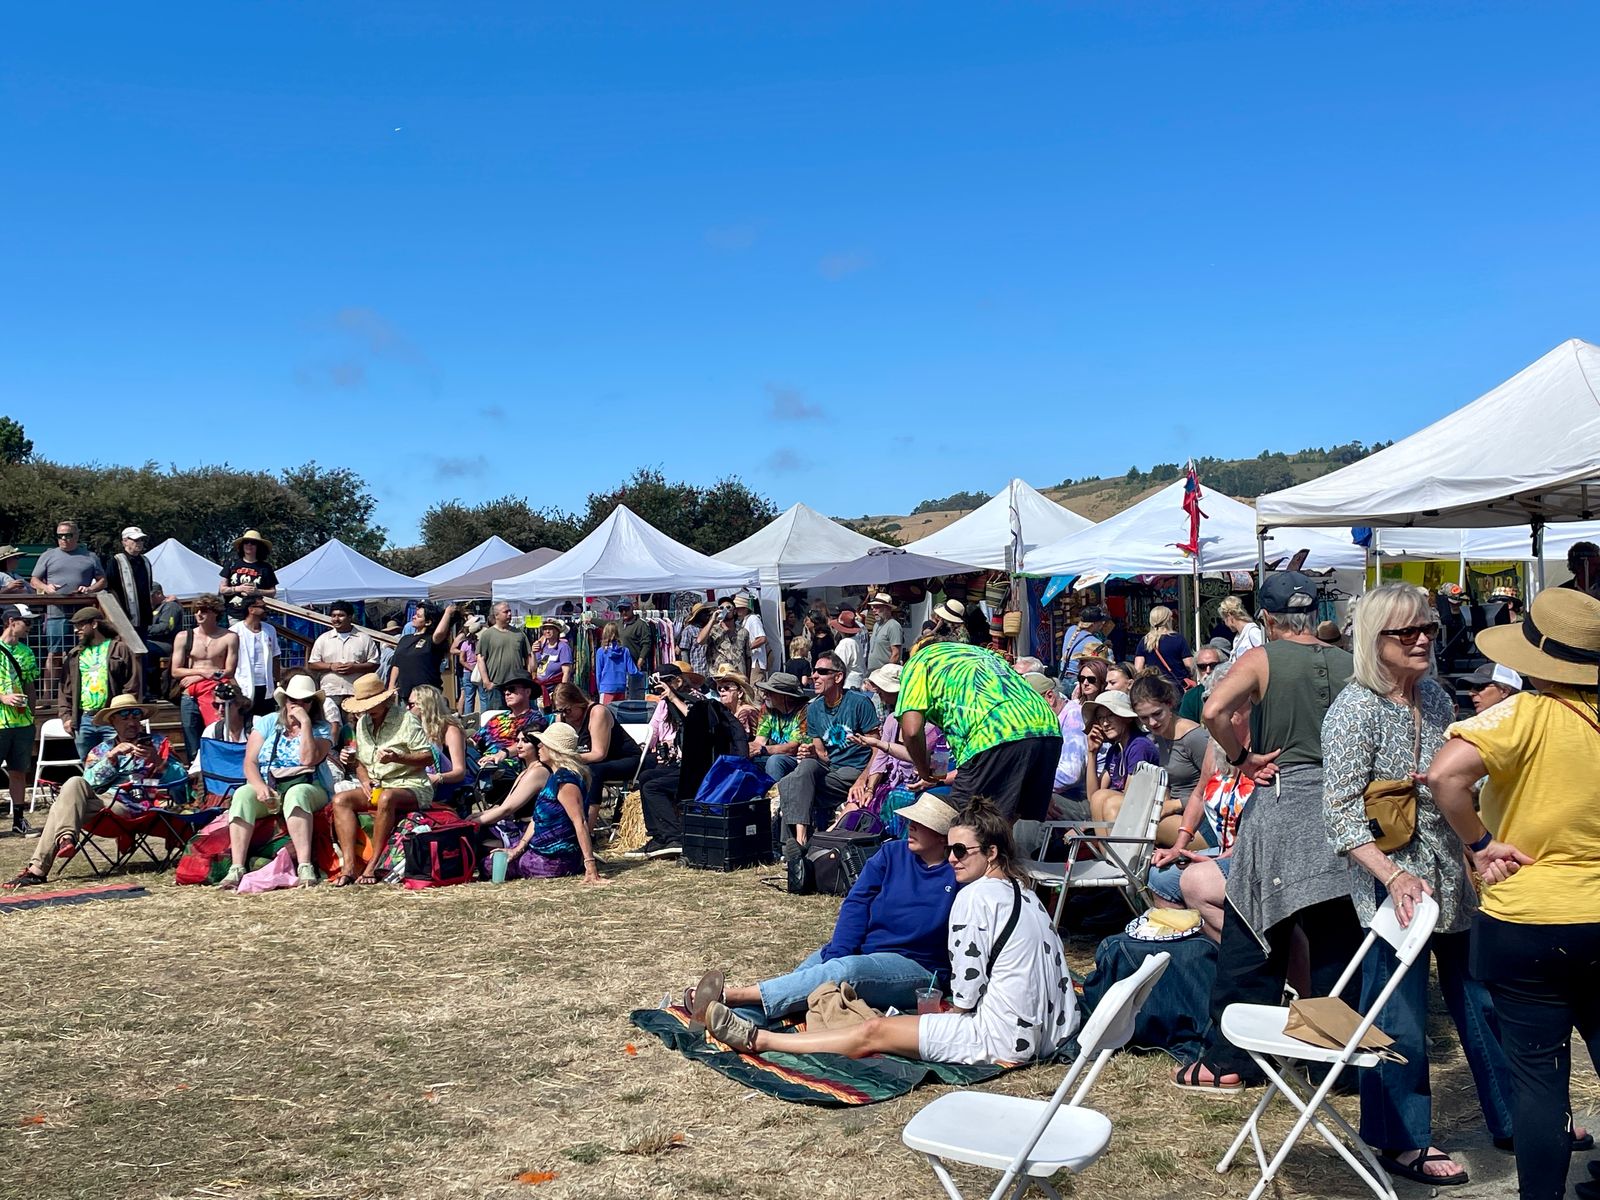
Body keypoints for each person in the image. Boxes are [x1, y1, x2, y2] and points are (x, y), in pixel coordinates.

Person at [1318, 582, 1510, 1185]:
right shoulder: (1353, 710)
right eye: (1408, 631)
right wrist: (1393, 875)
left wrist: (1476, 846)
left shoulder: (1434, 695)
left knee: (1480, 998)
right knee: (1396, 1014)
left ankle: (1516, 1116)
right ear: (1374, 640)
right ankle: (1399, 1139)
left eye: (1428, 627)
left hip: (1449, 872)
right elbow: (1339, 815)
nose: (1424, 639)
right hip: (1393, 882)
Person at [1428, 587, 1600, 1200]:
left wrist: (1479, 844)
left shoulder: (1522, 714)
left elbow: (1444, 775)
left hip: (1527, 917)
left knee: (1538, 1081)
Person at [702, 797, 1076, 1065]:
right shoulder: (1025, 893)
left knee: (873, 1025)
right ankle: (742, 1016)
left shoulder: (972, 895)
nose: (953, 858)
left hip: (999, 1033)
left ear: (990, 853)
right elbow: (857, 903)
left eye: (960, 851)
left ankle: (757, 1035)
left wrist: (950, 1010)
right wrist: (839, 954)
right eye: (952, 850)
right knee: (821, 970)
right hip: (1047, 1029)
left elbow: (967, 986)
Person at [1172, 570, 1362, 1094]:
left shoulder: (1261, 658)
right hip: (1342, 804)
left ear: (1267, 620)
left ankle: (1230, 1060)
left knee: (1252, 930)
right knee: (1337, 939)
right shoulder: (1349, 661)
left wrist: (1240, 758)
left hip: (1283, 802)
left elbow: (1213, 709)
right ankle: (1337, 1064)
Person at [685, 794, 959, 1024]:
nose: (911, 826)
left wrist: (839, 963)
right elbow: (857, 903)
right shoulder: (892, 854)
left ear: (942, 837)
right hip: (865, 950)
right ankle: (735, 1020)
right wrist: (838, 952)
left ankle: (731, 996)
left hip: (916, 967)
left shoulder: (959, 875)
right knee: (806, 977)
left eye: (921, 823)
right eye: (911, 820)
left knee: (845, 972)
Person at [4, 694, 190, 888]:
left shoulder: (158, 744)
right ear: (112, 721)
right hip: (105, 804)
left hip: (137, 806)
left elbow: (182, 783)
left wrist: (159, 762)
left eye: (136, 716)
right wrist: (111, 759)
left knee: (60, 807)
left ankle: (39, 868)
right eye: (124, 717)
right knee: (74, 782)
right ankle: (64, 839)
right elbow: (88, 784)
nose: (132, 722)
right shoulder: (101, 750)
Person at [895, 635, 1062, 823]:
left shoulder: (920, 661)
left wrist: (923, 769)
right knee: (1004, 824)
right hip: (1047, 727)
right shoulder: (985, 654)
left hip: (994, 731)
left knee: (964, 824)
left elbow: (911, 731)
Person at [217, 673, 335, 889]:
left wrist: (305, 724)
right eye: (293, 700)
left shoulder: (321, 728)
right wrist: (259, 786)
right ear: (285, 700)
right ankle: (236, 867)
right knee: (242, 794)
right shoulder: (268, 722)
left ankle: (305, 866)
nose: (298, 705)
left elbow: (308, 759)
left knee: (297, 794)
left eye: (305, 700)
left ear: (312, 704)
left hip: (310, 785)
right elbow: (250, 762)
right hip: (270, 785)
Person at [329, 673, 436, 885]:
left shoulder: (407, 720)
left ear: (385, 700)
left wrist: (398, 757)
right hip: (379, 785)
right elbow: (360, 763)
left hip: (412, 786)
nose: (368, 710)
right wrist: (362, 778)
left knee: (387, 798)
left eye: (372, 704)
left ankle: (373, 864)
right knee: (340, 800)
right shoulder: (362, 723)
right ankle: (349, 866)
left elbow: (428, 757)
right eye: (364, 706)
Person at [629, 662, 743, 858]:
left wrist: (674, 697)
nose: (662, 688)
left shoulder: (698, 700)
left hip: (705, 768)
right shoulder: (666, 703)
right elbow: (655, 730)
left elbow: (698, 722)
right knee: (646, 777)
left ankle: (674, 837)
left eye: (666, 682)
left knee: (653, 787)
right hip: (684, 763)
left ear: (678, 681)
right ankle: (658, 836)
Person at [776, 650, 879, 856]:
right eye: (814, 671)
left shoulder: (859, 703)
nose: (814, 676)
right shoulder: (814, 708)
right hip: (831, 769)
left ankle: (793, 848)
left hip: (854, 769)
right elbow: (822, 754)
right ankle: (800, 841)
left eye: (822, 672)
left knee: (791, 784)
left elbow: (877, 749)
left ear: (838, 677)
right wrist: (810, 752)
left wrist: (863, 780)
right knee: (795, 776)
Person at [488, 722, 604, 884]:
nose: (539, 746)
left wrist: (590, 866)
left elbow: (580, 822)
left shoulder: (565, 780)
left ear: (554, 750)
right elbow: (537, 818)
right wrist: (517, 849)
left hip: (554, 860)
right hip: (540, 851)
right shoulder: (554, 776)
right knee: (491, 859)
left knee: (489, 864)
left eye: (544, 743)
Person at [843, 665, 950, 822]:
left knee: (895, 799)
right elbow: (880, 758)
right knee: (855, 804)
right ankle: (825, 837)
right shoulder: (892, 720)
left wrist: (879, 744)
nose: (878, 693)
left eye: (882, 689)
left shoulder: (931, 726)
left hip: (917, 784)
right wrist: (870, 789)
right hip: (892, 780)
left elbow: (934, 763)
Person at [1128, 675, 1209, 846]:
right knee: (1103, 798)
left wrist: (1175, 804)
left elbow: (1220, 787)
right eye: (1144, 718)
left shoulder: (1194, 738)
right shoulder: (1158, 737)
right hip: (1174, 814)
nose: (1152, 723)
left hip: (1202, 821)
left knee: (1138, 822)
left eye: (1157, 714)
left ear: (1170, 703)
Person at [30, 519, 106, 693]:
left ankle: (77, 692)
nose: (63, 539)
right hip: (56, 612)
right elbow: (34, 580)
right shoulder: (48, 555)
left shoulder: (90, 556)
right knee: (54, 654)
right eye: (60, 536)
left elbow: (102, 580)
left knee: (81, 652)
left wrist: (89, 589)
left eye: (68, 535)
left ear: (77, 536)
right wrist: (47, 588)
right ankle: (47, 696)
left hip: (82, 613)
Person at [553, 681, 640, 832]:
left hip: (624, 760)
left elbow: (599, 754)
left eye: (567, 710)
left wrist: (568, 759)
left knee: (593, 770)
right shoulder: (562, 718)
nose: (564, 714)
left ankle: (588, 829)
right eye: (559, 710)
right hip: (589, 762)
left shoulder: (597, 712)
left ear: (578, 702)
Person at [61, 606, 140, 760]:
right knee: (89, 766)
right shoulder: (75, 654)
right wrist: (66, 717)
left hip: (113, 719)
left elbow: (132, 684)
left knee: (122, 761)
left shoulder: (119, 649)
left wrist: (125, 716)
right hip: (84, 719)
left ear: (94, 624)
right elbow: (65, 689)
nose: (76, 630)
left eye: (81, 625)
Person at [169, 594, 239, 759]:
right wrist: (202, 672)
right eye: (197, 610)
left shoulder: (229, 637)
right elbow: (175, 671)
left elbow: (229, 671)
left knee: (218, 734)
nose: (199, 614)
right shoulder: (184, 637)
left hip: (217, 694)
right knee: (192, 742)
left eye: (204, 611)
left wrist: (202, 676)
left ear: (215, 613)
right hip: (190, 694)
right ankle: (195, 771)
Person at [1083, 688, 1160, 824]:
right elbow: (1092, 797)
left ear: (1127, 718)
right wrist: (1092, 753)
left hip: (1142, 816)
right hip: (1120, 815)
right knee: (1099, 798)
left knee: (1104, 799)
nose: (1105, 723)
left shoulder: (1139, 746)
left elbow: (1130, 797)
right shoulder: (1115, 750)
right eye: (1100, 718)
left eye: (1110, 715)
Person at [1022, 671, 1089, 819]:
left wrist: (1030, 785)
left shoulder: (1073, 717)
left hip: (1083, 800)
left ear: (1050, 697)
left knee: (1029, 801)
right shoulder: (1048, 723)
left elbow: (1070, 775)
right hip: (1065, 795)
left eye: (1028, 705)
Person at [306, 600, 380, 726]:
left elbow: (375, 663)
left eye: (341, 615)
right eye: (333, 616)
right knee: (331, 726)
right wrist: (331, 666)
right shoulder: (323, 639)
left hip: (355, 692)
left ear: (350, 617)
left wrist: (355, 667)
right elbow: (312, 664)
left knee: (355, 726)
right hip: (330, 691)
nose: (336, 619)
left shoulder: (364, 639)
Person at [0, 605, 39, 836]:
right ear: (11, 622)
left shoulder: (27, 652)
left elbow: (30, 687)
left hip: (22, 724)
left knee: (19, 772)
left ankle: (18, 820)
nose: (30, 627)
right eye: (27, 622)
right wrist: (3, 697)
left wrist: (32, 716)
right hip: (0, 723)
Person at [407, 683, 470, 814]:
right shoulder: (414, 729)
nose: (407, 708)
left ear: (424, 705)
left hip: (446, 790)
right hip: (422, 787)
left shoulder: (450, 729)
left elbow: (459, 772)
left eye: (411, 704)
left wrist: (436, 778)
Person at [388, 603, 456, 705]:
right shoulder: (405, 639)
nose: (414, 617)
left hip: (427, 696)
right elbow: (396, 664)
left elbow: (440, 633)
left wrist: (447, 613)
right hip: (404, 695)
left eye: (418, 616)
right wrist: (391, 686)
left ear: (428, 622)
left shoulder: (431, 640)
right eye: (415, 614)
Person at [748, 671, 809, 783]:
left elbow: (793, 748)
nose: (765, 695)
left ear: (784, 696)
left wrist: (762, 750)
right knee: (746, 759)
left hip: (798, 759)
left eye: (769, 692)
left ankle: (774, 793)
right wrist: (748, 749)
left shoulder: (804, 711)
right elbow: (759, 741)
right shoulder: (767, 709)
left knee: (775, 761)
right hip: (773, 755)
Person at [476, 602, 533, 711]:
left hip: (516, 686)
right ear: (496, 615)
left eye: (510, 611)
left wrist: (528, 678)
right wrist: (487, 682)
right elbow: (480, 659)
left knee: (518, 717)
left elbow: (528, 657)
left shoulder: (519, 634)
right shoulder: (487, 635)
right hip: (496, 686)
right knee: (498, 718)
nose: (510, 614)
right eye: (506, 612)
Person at [231, 594, 280, 717]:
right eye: (262, 607)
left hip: (266, 685)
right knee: (245, 720)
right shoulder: (234, 631)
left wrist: (277, 680)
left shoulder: (270, 630)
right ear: (251, 609)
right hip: (243, 684)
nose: (265, 610)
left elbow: (275, 656)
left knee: (266, 719)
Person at [218, 529, 278, 625]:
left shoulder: (265, 567)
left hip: (256, 614)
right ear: (242, 545)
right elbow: (222, 589)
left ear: (258, 546)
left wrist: (257, 591)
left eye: (253, 543)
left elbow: (273, 592)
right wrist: (238, 588)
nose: (249, 545)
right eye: (246, 542)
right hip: (234, 614)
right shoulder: (232, 564)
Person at [104, 526, 155, 632]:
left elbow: (149, 587)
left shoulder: (145, 561)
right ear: (125, 542)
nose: (139, 543)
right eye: (136, 540)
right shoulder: (116, 561)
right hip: (124, 615)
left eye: (141, 540)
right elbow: (110, 588)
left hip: (144, 616)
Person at [1133, 605, 1195, 688]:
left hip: (1153, 686)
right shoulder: (1178, 639)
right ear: (1168, 620)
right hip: (1177, 686)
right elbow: (1189, 665)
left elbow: (1138, 669)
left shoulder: (1145, 641)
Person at [144, 581, 185, 699]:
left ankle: (153, 690)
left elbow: (166, 627)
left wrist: (142, 630)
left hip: (167, 644)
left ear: (158, 594)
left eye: (150, 596)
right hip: (152, 642)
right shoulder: (152, 608)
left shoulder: (170, 607)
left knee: (146, 650)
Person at [1059, 605, 1112, 690]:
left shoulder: (1071, 630)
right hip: (1078, 680)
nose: (1102, 624)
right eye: (1100, 621)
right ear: (1093, 624)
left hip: (1063, 677)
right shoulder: (1095, 643)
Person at [616, 600, 655, 700]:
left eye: (626, 609)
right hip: (621, 665)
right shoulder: (619, 623)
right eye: (621, 610)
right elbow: (605, 623)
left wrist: (641, 659)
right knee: (623, 696)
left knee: (635, 696)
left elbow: (646, 643)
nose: (623, 612)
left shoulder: (641, 624)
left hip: (634, 665)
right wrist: (591, 619)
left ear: (632, 608)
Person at [533, 620, 573, 713]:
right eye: (545, 629)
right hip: (541, 689)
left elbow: (566, 672)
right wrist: (533, 652)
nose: (547, 631)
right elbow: (533, 667)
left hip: (554, 688)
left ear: (557, 631)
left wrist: (561, 692)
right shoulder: (542, 647)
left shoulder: (563, 647)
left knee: (554, 714)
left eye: (550, 629)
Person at [701, 604, 751, 679]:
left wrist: (747, 678)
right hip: (718, 675)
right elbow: (700, 641)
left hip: (739, 675)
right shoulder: (712, 630)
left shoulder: (743, 632)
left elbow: (748, 657)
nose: (725, 610)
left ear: (734, 611)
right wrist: (712, 620)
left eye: (728, 607)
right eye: (721, 608)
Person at [593, 621, 637, 705]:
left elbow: (598, 673)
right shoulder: (625, 651)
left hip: (606, 688)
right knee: (619, 712)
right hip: (621, 687)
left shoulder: (601, 651)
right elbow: (632, 671)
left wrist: (599, 689)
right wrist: (642, 676)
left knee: (605, 711)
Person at [711, 669, 761, 740]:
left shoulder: (746, 712)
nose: (722, 690)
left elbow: (740, 740)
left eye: (726, 687)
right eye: (719, 688)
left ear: (740, 693)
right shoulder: (730, 713)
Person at [1180, 645, 1225, 721]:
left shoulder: (1233, 690)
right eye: (1202, 666)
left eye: (1213, 665)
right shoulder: (1191, 697)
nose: (1208, 671)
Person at [1458, 661, 1523, 714]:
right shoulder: (1470, 724)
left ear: (1504, 692)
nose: (1470, 693)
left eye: (1479, 686)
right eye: (1470, 687)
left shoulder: (1525, 723)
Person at [453, 614, 485, 716]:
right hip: (479, 671)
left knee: (469, 697)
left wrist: (469, 667)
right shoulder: (481, 643)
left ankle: (468, 718)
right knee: (483, 697)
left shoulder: (465, 644)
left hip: (467, 672)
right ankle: (484, 718)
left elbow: (462, 659)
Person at [1218, 595, 1264, 663]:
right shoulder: (1238, 638)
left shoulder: (1252, 632)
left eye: (1224, 619)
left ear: (1229, 616)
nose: (1225, 624)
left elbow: (1266, 654)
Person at [865, 592, 903, 674]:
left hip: (883, 674)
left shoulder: (893, 626)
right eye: (873, 607)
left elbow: (896, 654)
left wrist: (886, 673)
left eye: (877, 607)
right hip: (872, 672)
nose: (874, 610)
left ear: (887, 608)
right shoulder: (876, 625)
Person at [736, 594, 768, 683]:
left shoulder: (753, 619)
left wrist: (745, 648)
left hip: (756, 661)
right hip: (750, 661)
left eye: (739, 608)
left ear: (745, 608)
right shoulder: (744, 621)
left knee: (756, 686)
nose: (737, 610)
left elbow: (762, 638)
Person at [678, 602, 714, 677]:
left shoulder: (711, 629)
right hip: (697, 670)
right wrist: (688, 672)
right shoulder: (689, 630)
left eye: (707, 612)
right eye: (704, 613)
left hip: (711, 671)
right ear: (698, 615)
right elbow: (684, 652)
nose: (707, 615)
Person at [831, 606, 864, 686]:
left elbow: (838, 667)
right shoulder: (856, 640)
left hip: (847, 684)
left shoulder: (845, 643)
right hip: (858, 681)